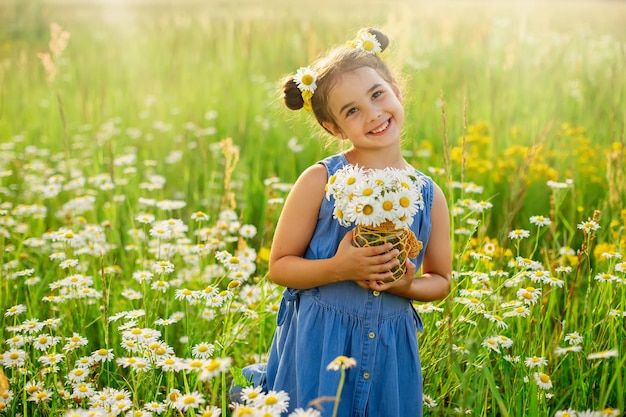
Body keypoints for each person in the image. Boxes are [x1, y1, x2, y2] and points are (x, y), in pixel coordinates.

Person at [242, 28, 452, 417]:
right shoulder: (320, 180)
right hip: (321, 344)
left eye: (377, 95)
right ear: (334, 129)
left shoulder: (427, 194)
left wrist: (407, 285)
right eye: (351, 110)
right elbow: (279, 267)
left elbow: (440, 280)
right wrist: (338, 268)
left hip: (390, 352)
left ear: (396, 90)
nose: (373, 114)